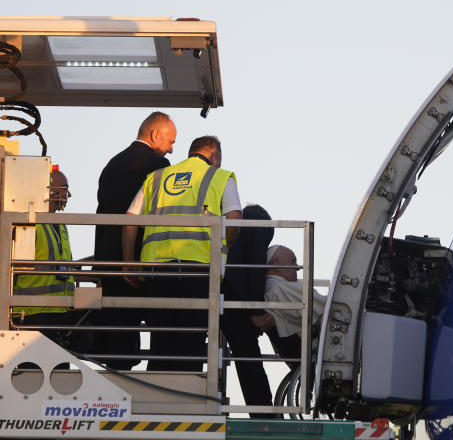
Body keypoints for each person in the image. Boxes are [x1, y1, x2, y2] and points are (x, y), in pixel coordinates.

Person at [122, 135, 240, 372]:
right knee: (191, 341)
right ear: (214, 155)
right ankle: (186, 399)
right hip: (200, 271)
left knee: (160, 340)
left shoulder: (156, 178)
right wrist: (223, 247)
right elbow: (235, 219)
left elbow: (129, 221)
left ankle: (156, 397)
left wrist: (128, 264)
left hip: (157, 271)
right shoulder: (219, 176)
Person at [93, 111, 176, 369]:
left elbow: (101, 213)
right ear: (154, 135)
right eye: (171, 141)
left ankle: (116, 388)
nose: (172, 150)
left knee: (117, 327)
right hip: (141, 260)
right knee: (160, 323)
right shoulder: (159, 168)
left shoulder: (112, 164)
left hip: (108, 258)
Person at [11, 169, 76, 346]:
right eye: (64, 188)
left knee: (59, 372)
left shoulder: (60, 225)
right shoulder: (28, 223)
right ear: (48, 190)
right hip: (32, 313)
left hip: (60, 312)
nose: (68, 194)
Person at [221, 204, 274, 417]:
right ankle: (263, 412)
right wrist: (257, 310)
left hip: (215, 288)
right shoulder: (258, 225)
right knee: (248, 357)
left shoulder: (232, 223)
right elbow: (255, 267)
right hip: (238, 298)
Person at [262, 245, 325, 369]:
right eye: (293, 261)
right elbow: (325, 307)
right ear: (276, 264)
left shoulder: (278, 285)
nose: (297, 267)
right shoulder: (279, 288)